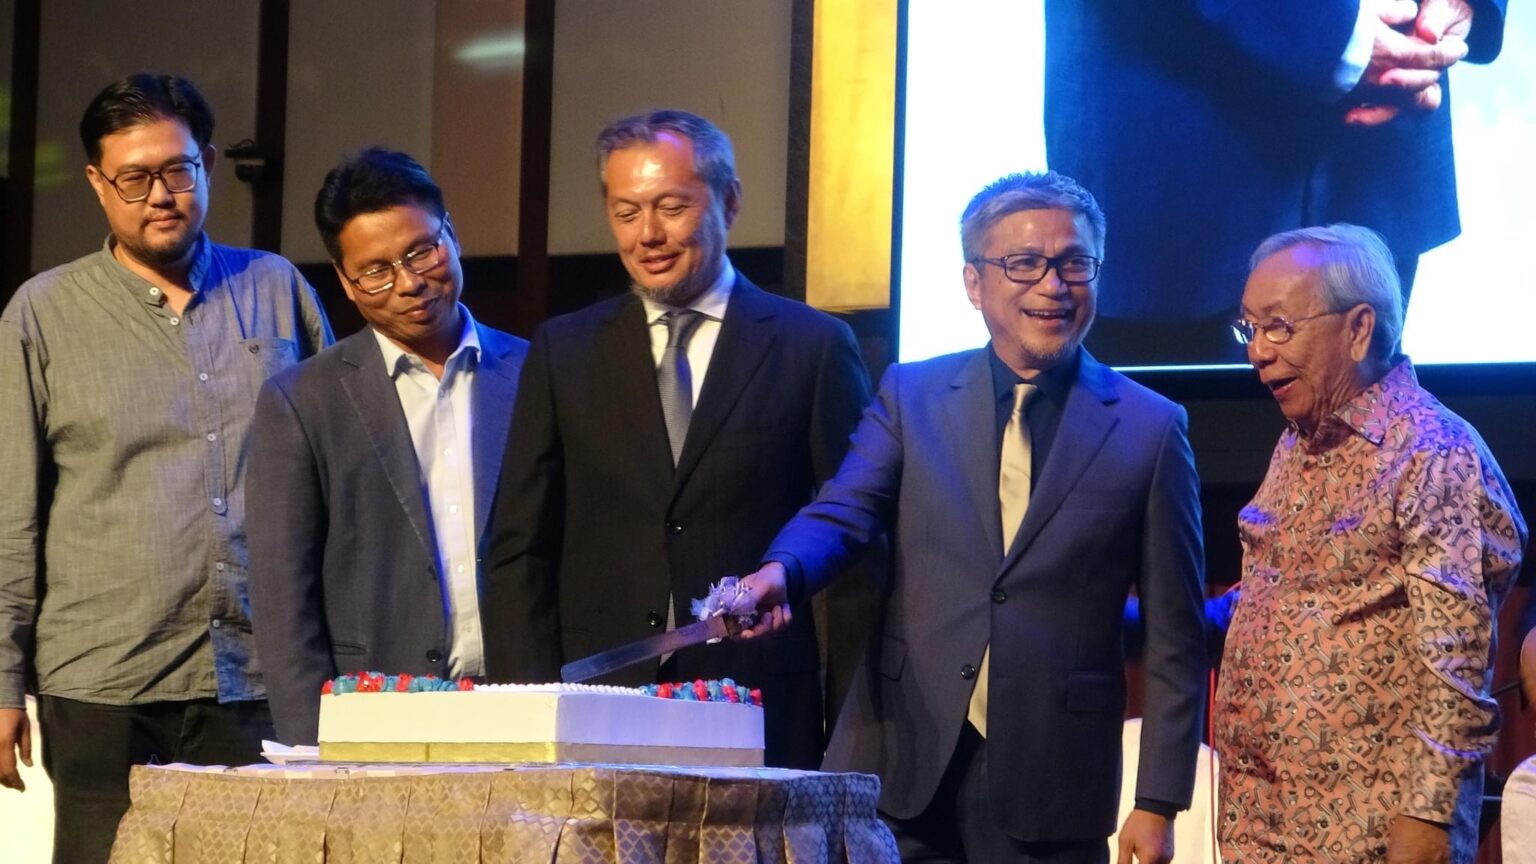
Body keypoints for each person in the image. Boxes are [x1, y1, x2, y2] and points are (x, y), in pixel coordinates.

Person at [737, 171, 1208, 863]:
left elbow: (1175, 635)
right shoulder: (912, 394)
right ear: (973, 282)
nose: (1053, 285)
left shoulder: (1151, 427)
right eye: (1024, 263)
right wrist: (782, 571)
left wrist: (1159, 800)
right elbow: (844, 509)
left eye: (1074, 263)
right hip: (899, 762)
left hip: (1055, 782)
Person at [0, 73, 331, 862]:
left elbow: (337, 476)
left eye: (177, 171)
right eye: (134, 178)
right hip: (104, 682)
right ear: (96, 182)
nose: (159, 196)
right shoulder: (42, 314)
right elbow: (11, 512)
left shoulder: (275, 287)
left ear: (208, 165)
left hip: (260, 679)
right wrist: (2, 679)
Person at [481, 109, 872, 769]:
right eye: (626, 213)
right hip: (595, 704)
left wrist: (855, 721)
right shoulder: (564, 349)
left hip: (757, 699)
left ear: (730, 201)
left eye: (671, 207)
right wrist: (525, 705)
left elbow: (854, 529)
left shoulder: (812, 346)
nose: (648, 235)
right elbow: (519, 549)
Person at [1216, 223, 1526, 863]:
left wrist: (1428, 818)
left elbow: (1456, 661)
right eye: (1251, 329)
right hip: (1265, 826)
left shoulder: (1432, 452)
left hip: (1373, 834)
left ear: (1358, 329)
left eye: (1279, 327)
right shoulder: (1298, 444)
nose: (1259, 352)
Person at [245, 149, 552, 746]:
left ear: (451, 235)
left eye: (421, 252)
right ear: (346, 282)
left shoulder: (537, 373)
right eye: (376, 271)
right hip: (374, 715)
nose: (409, 283)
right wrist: (312, 747)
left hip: (526, 705)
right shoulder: (301, 401)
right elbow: (284, 604)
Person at [1045, 0, 1508, 365]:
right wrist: (1332, 35)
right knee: (1185, 441)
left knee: (1370, 442)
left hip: (1373, 155)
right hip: (1179, 133)